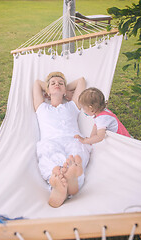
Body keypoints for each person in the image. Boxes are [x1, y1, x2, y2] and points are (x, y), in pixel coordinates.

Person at [33, 72, 91, 208]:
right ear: (46, 91)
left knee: (77, 154)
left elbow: (81, 80)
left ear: (65, 90)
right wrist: (50, 87)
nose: (57, 85)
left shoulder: (72, 105)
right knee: (47, 152)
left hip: (72, 139)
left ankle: (66, 180)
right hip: (51, 141)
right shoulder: (41, 107)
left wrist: (62, 88)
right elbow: (36, 83)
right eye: (53, 84)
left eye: (60, 83)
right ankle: (60, 181)